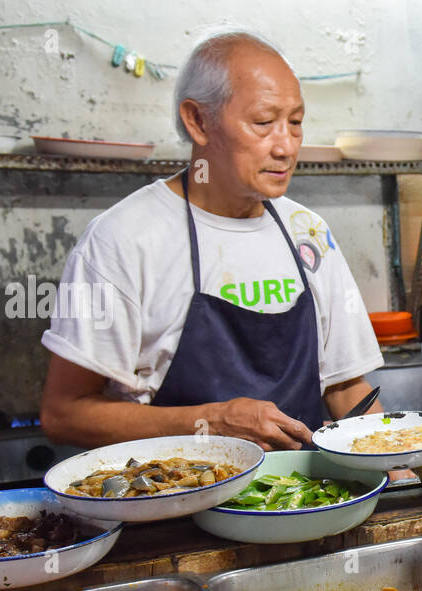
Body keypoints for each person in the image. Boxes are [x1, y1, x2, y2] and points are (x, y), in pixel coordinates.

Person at [39, 30, 384, 451]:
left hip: (301, 501)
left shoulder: (308, 233)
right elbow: (64, 414)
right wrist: (212, 422)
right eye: (263, 123)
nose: (287, 147)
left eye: (295, 123)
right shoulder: (123, 239)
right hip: (175, 505)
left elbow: (346, 388)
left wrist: (397, 458)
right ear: (198, 121)